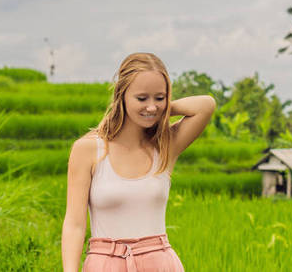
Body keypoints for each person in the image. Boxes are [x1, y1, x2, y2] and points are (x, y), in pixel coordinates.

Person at [61, 52, 215, 271]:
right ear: (121, 95)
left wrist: (159, 111)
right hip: (105, 263)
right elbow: (75, 224)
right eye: (142, 98)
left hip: (160, 262)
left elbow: (206, 105)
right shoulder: (87, 149)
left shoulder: (164, 146)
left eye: (159, 97)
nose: (151, 106)